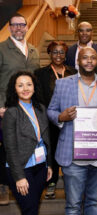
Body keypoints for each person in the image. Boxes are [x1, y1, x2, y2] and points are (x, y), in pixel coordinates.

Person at [47, 47, 97, 215]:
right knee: (73, 205)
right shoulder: (62, 83)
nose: (89, 61)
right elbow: (51, 110)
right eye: (85, 58)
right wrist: (61, 117)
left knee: (93, 202)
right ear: (78, 61)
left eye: (93, 58)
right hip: (72, 156)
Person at [0, 13, 39, 205]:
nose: (18, 28)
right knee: (6, 147)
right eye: (14, 25)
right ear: (9, 27)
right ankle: (3, 185)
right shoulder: (1, 49)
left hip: (27, 109)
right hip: (6, 109)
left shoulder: (33, 50)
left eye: (22, 25)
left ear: (26, 26)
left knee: (25, 143)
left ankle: (29, 176)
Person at [2, 71, 52, 215]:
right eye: (20, 85)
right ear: (14, 89)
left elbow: (46, 139)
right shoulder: (11, 112)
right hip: (21, 168)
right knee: (29, 209)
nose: (25, 89)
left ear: (34, 87)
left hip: (40, 167)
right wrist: (19, 177)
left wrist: (48, 164)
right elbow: (9, 148)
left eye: (29, 84)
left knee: (33, 208)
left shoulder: (41, 108)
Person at [34, 41, 77, 199]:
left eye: (61, 52)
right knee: (50, 150)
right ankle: (51, 182)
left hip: (70, 118)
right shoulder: (40, 73)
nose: (58, 55)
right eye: (54, 52)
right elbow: (37, 97)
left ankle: (70, 182)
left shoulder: (73, 72)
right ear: (49, 54)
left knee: (70, 151)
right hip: (49, 119)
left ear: (66, 55)